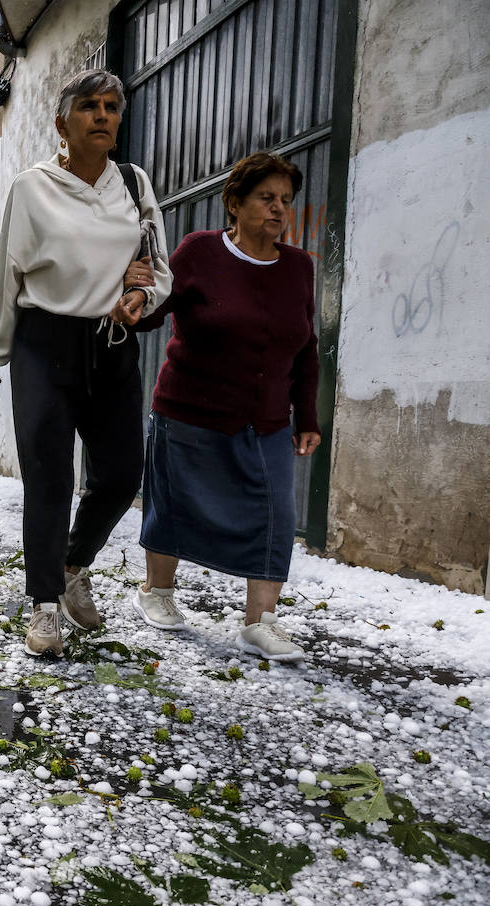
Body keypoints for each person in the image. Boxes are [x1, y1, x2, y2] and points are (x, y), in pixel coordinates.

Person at [0, 68, 171, 658]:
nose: (104, 116)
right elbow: (5, 279)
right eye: (90, 106)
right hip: (44, 343)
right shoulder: (32, 188)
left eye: (112, 106)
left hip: (112, 345)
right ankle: (42, 607)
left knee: (120, 474)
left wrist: (141, 295)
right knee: (50, 476)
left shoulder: (134, 186)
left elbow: (158, 269)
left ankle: (73, 564)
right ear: (63, 123)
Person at [125, 152, 320, 662]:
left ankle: (261, 622)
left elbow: (306, 348)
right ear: (235, 203)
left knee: (276, 512)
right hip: (189, 409)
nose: (278, 209)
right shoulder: (199, 252)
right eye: (266, 198)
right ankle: (157, 590)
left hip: (268, 419)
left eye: (285, 200)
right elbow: (152, 314)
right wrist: (135, 294)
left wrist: (309, 417)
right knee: (174, 502)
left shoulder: (299, 267)